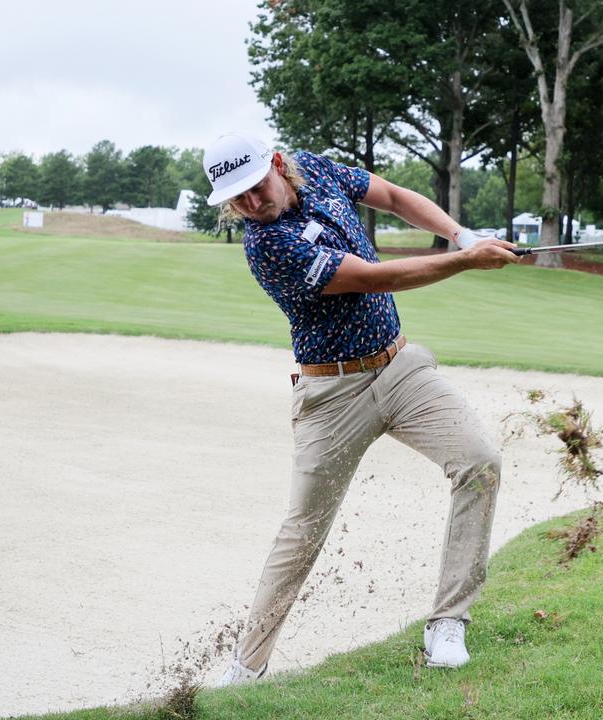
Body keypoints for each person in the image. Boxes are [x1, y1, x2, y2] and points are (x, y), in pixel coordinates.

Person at [202, 133, 521, 685]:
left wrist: (460, 234)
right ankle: (246, 667)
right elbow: (378, 277)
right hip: (332, 397)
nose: (251, 205)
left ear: (278, 165)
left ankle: (448, 622)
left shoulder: (317, 170)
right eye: (237, 200)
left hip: (400, 370)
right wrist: (467, 260)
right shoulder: (267, 245)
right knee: (303, 530)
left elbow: (395, 197)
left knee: (480, 461)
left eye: (255, 188)